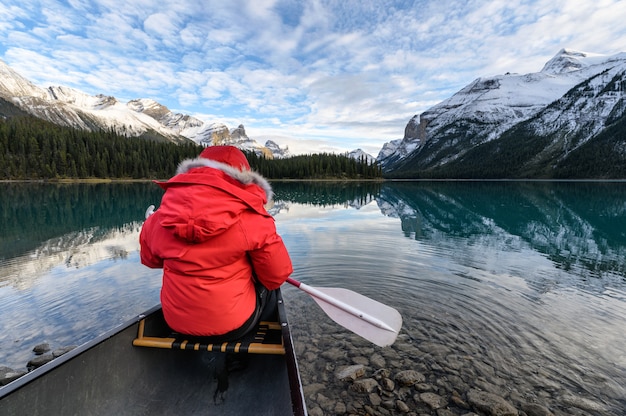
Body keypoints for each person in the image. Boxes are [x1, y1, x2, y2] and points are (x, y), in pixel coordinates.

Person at [139, 145, 293, 340]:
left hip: (176, 323)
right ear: (244, 178)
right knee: (271, 289)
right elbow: (276, 276)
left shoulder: (159, 218)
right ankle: (247, 352)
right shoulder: (253, 219)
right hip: (234, 327)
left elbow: (150, 260)